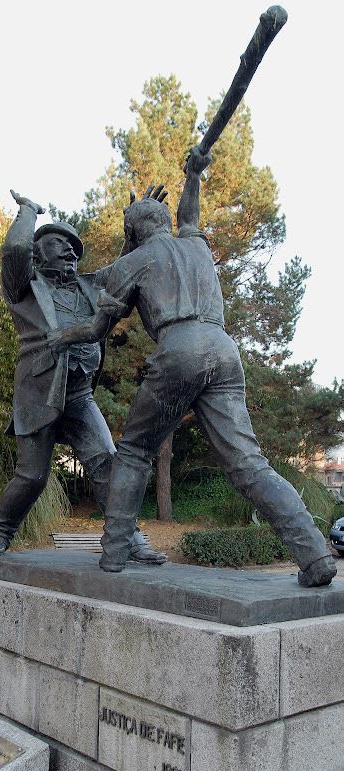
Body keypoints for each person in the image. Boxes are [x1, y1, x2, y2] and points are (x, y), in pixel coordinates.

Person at [48, 147, 337, 587]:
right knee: (248, 462)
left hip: (180, 346)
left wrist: (61, 337)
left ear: (133, 231)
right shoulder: (196, 246)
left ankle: (113, 555)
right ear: (165, 224)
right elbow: (190, 217)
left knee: (134, 451)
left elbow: (95, 323)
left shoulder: (134, 261)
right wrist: (193, 175)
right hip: (224, 349)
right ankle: (315, 555)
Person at [0, 189, 166, 564]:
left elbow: (127, 264)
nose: (70, 252)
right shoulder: (25, 288)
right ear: (39, 250)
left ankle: (127, 537)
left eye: (74, 248)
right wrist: (29, 213)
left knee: (107, 462)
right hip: (38, 392)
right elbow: (14, 251)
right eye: (58, 244)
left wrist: (135, 225)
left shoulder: (90, 285)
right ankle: (0, 531)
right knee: (32, 476)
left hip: (80, 394)